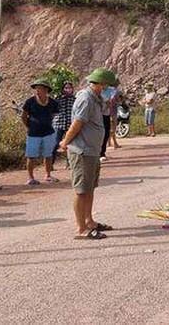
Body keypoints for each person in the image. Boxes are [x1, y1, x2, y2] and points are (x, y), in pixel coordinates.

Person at [59, 68, 117, 240]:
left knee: (89, 188)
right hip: (82, 150)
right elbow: (77, 123)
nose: (109, 89)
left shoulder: (96, 99)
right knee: (81, 190)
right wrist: (65, 142)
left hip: (92, 151)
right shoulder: (85, 98)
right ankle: (81, 228)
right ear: (101, 84)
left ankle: (89, 221)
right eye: (107, 86)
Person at [22, 79, 60, 185]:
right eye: (36, 89)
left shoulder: (52, 103)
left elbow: (54, 115)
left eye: (40, 89)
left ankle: (48, 175)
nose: (37, 91)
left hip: (48, 132)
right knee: (31, 156)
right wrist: (29, 126)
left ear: (46, 90)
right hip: (33, 133)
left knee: (48, 155)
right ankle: (30, 177)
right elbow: (24, 116)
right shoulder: (30, 102)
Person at [53, 81, 76, 167]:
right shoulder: (58, 99)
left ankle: (70, 163)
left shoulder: (75, 99)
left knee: (70, 144)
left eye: (69, 88)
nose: (68, 90)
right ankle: (50, 163)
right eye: (66, 88)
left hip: (70, 124)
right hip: (59, 123)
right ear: (62, 89)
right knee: (55, 143)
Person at [99, 83, 117, 161]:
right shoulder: (97, 90)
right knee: (99, 134)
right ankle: (98, 153)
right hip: (98, 115)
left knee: (106, 133)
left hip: (106, 114)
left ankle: (102, 153)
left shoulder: (111, 90)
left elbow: (112, 99)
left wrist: (109, 102)